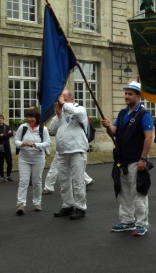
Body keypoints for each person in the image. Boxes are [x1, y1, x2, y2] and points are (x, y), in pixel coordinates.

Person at [102, 81, 153, 237]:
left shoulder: (144, 115)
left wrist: (143, 158)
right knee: (124, 192)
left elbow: (149, 137)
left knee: (138, 193)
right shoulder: (123, 113)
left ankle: (142, 223)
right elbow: (115, 132)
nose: (126, 96)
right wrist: (108, 127)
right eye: (126, 93)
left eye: (130, 94)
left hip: (136, 159)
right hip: (122, 160)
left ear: (138, 96)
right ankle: (127, 220)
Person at [50, 90, 89, 220]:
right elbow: (53, 129)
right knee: (63, 181)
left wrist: (63, 104)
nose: (61, 103)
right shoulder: (62, 112)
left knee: (78, 181)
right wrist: (59, 116)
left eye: (64, 99)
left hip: (76, 150)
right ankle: (68, 204)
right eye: (60, 100)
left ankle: (80, 207)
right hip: (62, 151)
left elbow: (77, 113)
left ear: (71, 100)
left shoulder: (80, 109)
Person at [14, 109, 51, 214]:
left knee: (37, 181)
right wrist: (21, 144)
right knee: (23, 181)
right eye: (28, 117)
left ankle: (37, 203)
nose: (29, 119)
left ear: (37, 118)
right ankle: (20, 204)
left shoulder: (42, 129)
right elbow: (16, 140)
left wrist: (37, 145)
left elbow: (47, 142)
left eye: (32, 117)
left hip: (38, 158)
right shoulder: (23, 127)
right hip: (24, 158)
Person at [0, 114, 14, 182]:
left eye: (1, 118)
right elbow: (7, 135)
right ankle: (2, 177)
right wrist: (6, 134)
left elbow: (11, 134)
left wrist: (3, 135)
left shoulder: (7, 127)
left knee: (10, 163)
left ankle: (8, 176)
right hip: (0, 149)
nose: (0, 120)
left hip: (7, 148)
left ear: (3, 119)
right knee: (0, 163)